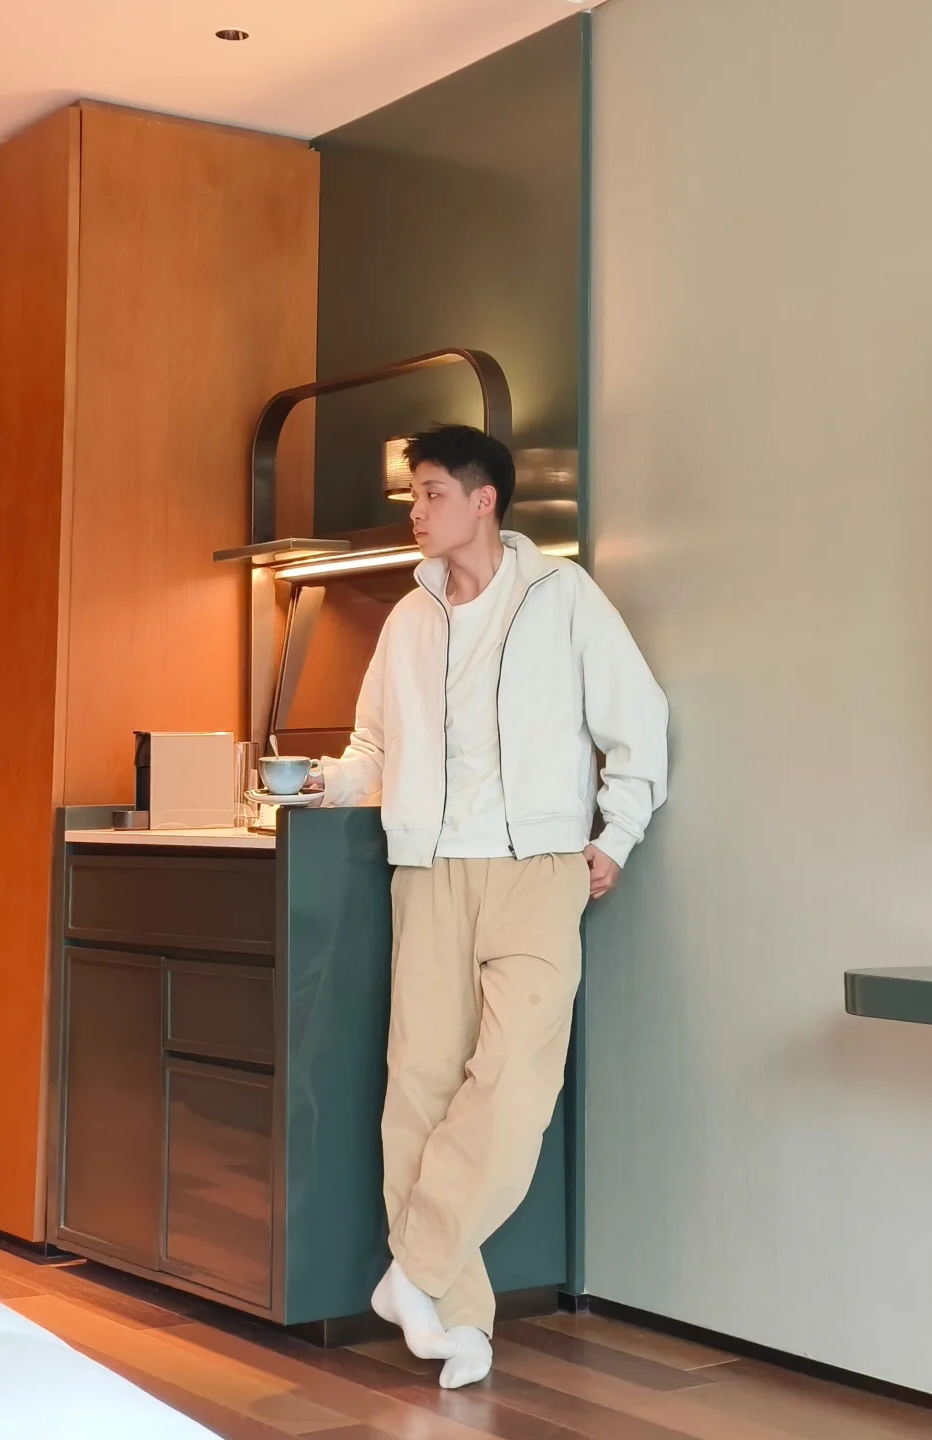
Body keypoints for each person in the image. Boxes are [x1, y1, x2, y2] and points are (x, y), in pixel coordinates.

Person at [306, 424, 669, 1389]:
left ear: (483, 501)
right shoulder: (406, 619)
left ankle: (415, 1272)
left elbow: (638, 720)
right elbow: (374, 750)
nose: (416, 511)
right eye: (413, 495)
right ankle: (455, 1320)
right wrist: (321, 784)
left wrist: (617, 836)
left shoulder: (562, 596)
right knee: (419, 1090)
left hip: (536, 871)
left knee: (514, 1084)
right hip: (428, 872)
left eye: (430, 493)